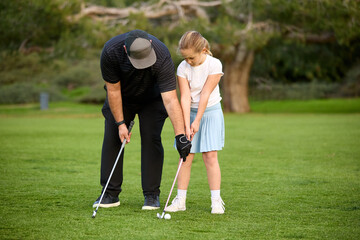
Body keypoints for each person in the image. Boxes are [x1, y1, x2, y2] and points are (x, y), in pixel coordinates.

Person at [93, 29, 191, 210]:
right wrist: (121, 124)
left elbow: (170, 99)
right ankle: (110, 194)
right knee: (114, 137)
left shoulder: (161, 55)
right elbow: (113, 91)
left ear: (151, 46)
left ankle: (152, 195)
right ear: (125, 49)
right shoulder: (111, 51)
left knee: (151, 138)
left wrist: (180, 136)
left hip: (153, 99)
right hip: (122, 98)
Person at [165, 31, 225, 214]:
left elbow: (205, 93)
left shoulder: (215, 64)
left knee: (210, 156)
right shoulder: (183, 68)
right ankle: (180, 200)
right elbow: (184, 97)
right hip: (188, 112)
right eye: (185, 58)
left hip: (211, 112)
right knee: (185, 156)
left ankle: (216, 201)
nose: (188, 61)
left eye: (191, 57)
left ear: (204, 50)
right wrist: (185, 125)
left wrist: (197, 121)